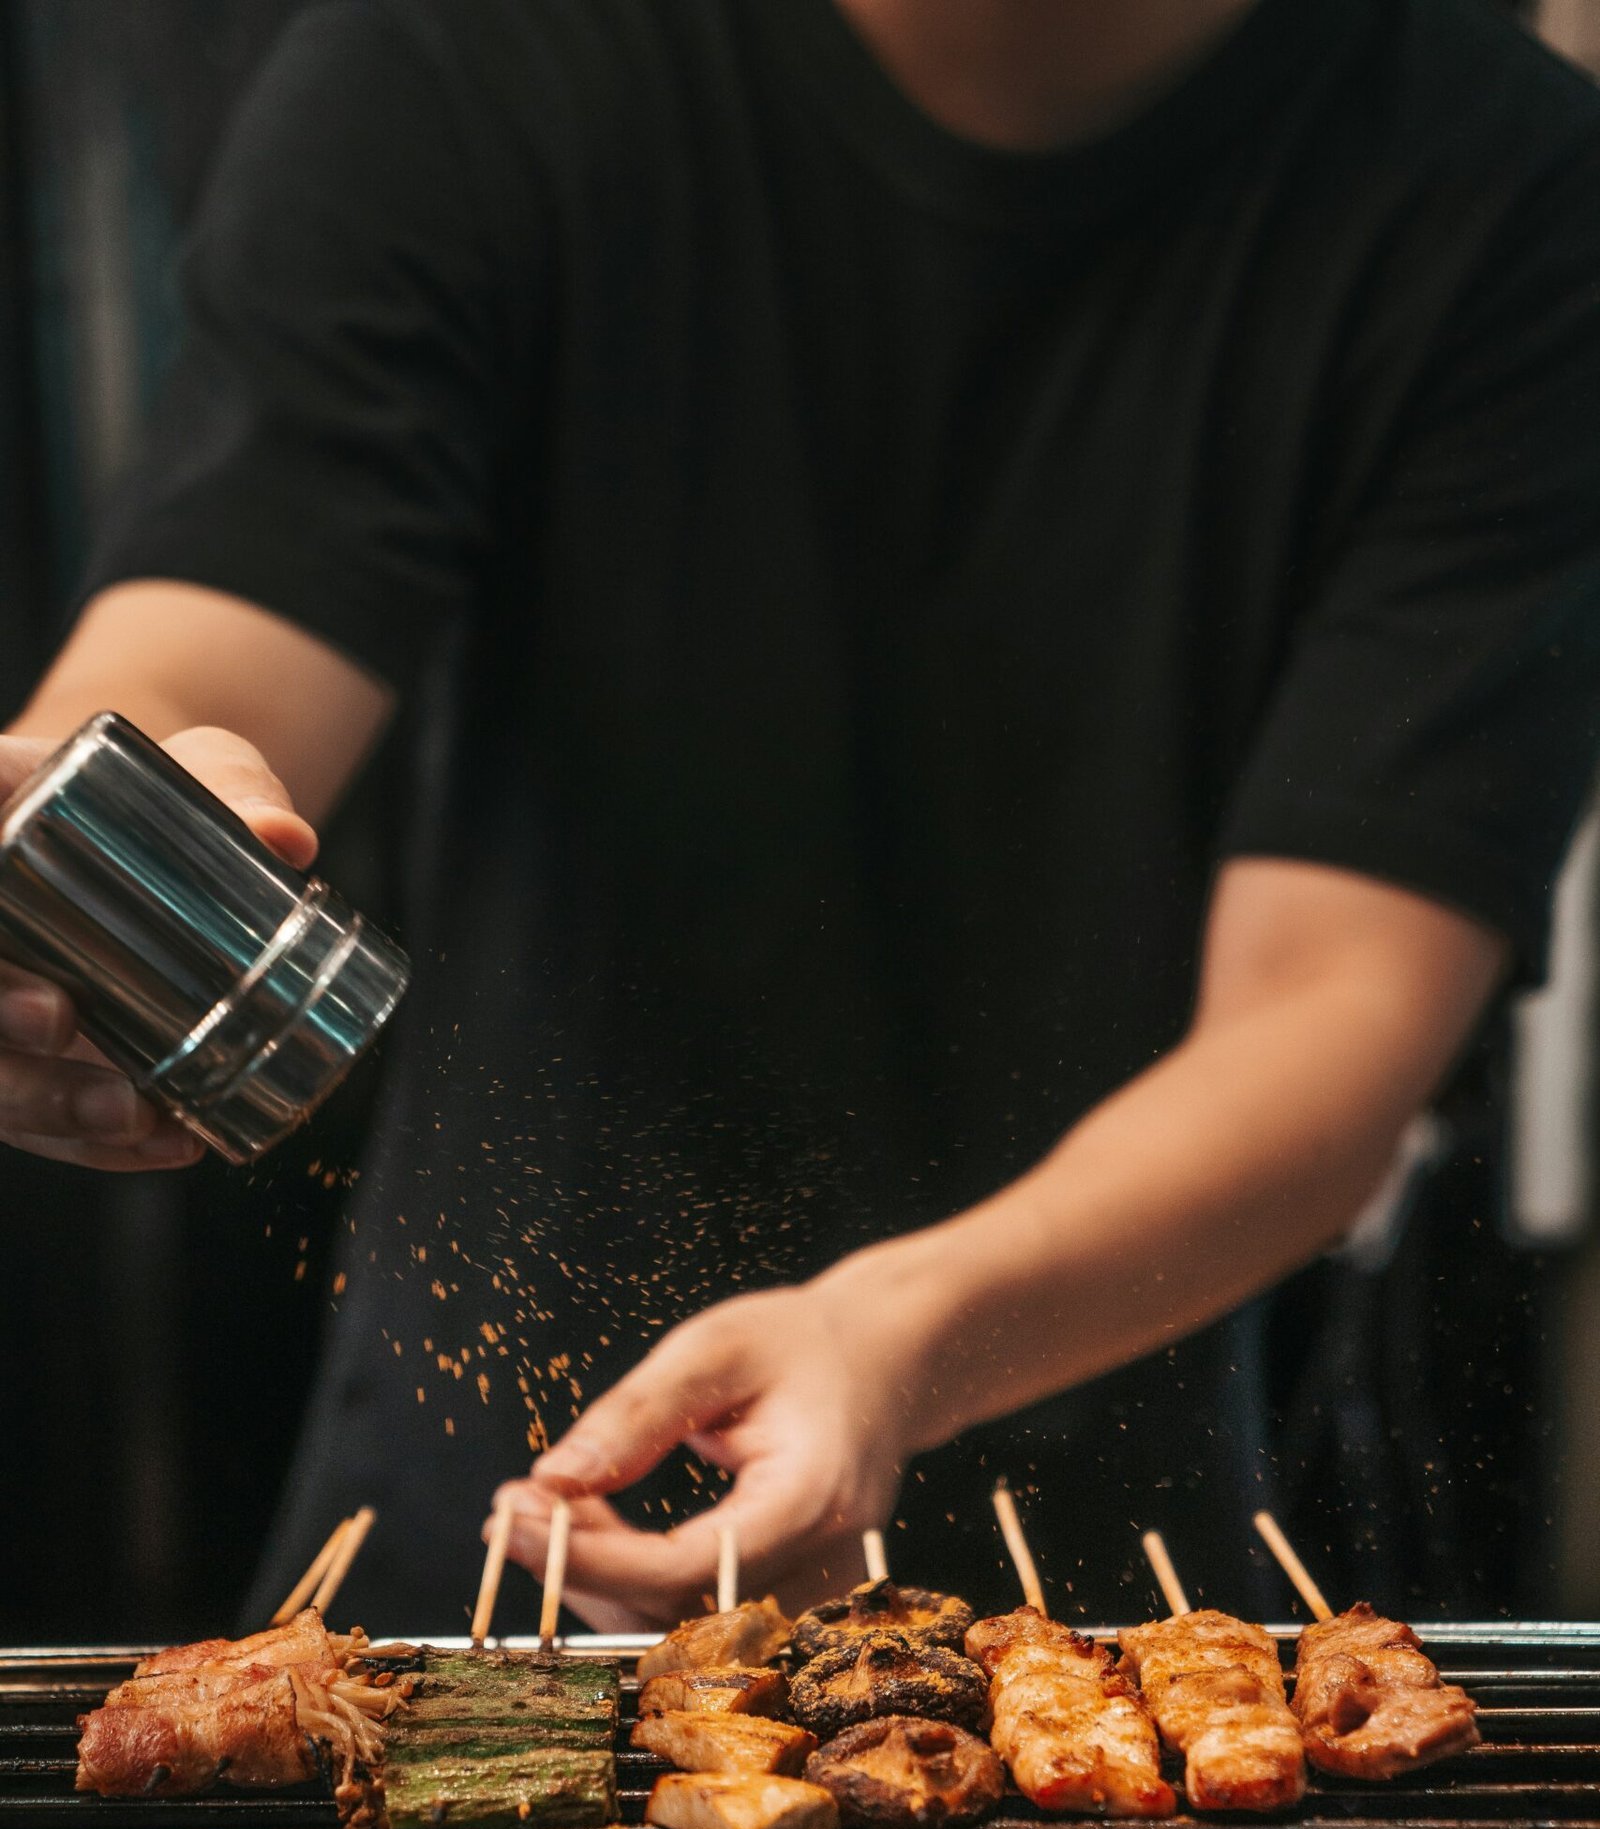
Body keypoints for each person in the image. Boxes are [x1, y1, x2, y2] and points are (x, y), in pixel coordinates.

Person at [3, 0, 1599, 1631]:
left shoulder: (1507, 187)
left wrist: (898, 1341)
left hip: (1106, 1595)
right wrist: (65, 855)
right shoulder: (473, 54)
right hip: (484, 1529)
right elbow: (217, 652)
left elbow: (1335, 1011)